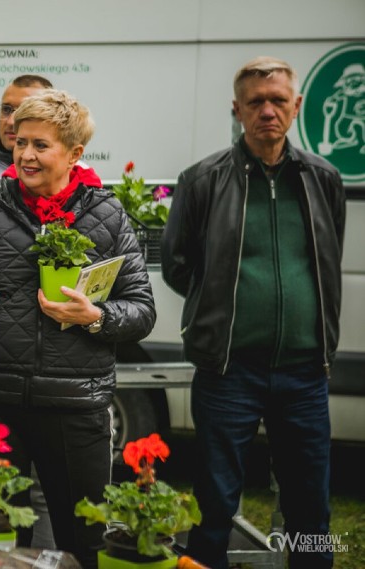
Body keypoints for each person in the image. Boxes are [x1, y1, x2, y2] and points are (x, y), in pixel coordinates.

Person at [0, 89, 156, 567]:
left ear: (74, 154)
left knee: (83, 542)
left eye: (40, 145)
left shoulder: (108, 215)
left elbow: (142, 311)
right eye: (21, 143)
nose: (25, 154)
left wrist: (97, 317)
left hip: (75, 405)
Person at [161, 56, 344, 569]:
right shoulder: (202, 181)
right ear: (237, 109)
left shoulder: (323, 179)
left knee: (311, 508)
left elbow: (325, 263)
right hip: (228, 371)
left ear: (297, 107)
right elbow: (178, 265)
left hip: (305, 374)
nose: (268, 110)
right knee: (214, 502)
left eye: (278, 100)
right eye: (256, 102)